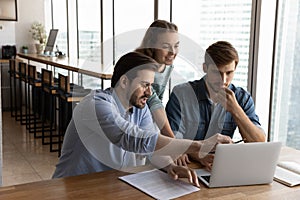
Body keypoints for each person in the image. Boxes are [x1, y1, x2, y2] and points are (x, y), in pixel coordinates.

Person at [52, 51, 232, 187]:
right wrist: (198, 145)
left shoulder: (140, 107)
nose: (150, 92)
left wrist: (169, 166)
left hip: (111, 185)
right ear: (124, 82)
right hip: (73, 187)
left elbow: (151, 148)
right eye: (145, 85)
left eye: (151, 85)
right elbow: (132, 138)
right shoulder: (95, 105)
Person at [165, 41, 266, 170]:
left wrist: (235, 110)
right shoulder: (182, 94)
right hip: (187, 166)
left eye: (229, 73)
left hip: (222, 167)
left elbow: (259, 143)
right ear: (205, 68)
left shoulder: (242, 98)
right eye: (216, 73)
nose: (223, 80)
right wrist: (197, 154)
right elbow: (171, 140)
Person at [135, 19, 179, 138]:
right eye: (166, 46)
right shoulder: (141, 66)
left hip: (150, 116)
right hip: (133, 117)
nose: (173, 52)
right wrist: (173, 143)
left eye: (176, 46)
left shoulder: (167, 65)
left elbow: (158, 99)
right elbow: (154, 102)